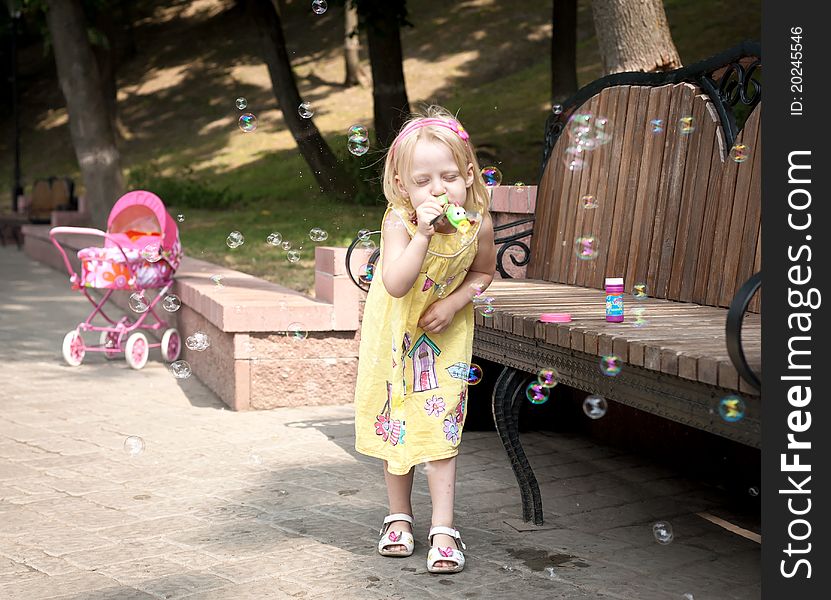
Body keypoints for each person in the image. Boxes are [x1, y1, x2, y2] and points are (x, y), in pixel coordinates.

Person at [353, 106, 496, 574]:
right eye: (423, 180)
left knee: (440, 429)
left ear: (468, 175)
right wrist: (421, 234)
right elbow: (395, 283)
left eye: (450, 176)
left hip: (444, 335)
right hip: (397, 335)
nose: (438, 189)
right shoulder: (399, 222)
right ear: (402, 185)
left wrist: (455, 303)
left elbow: (483, 272)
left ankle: (443, 528)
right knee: (399, 422)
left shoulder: (479, 224)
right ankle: (399, 517)